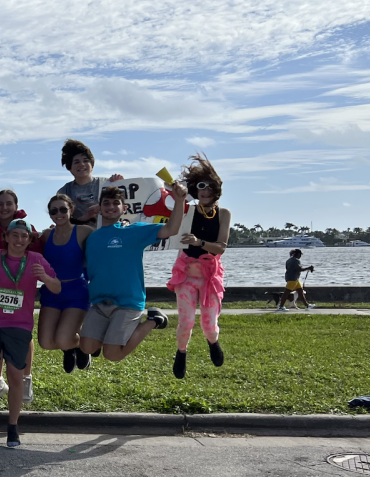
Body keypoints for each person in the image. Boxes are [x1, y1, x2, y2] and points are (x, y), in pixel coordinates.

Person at [0, 220, 60, 448]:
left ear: (29, 240)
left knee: (15, 376)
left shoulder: (36, 260)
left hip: (19, 326)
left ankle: (12, 426)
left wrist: (46, 279)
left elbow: (57, 286)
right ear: (7, 237)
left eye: (24, 237)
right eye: (15, 235)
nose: (19, 240)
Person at [80, 183, 187, 361]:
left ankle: (154, 320)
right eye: (106, 203)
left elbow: (171, 229)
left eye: (116, 203)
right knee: (87, 347)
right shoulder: (92, 237)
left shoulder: (134, 231)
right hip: (99, 303)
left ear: (125, 208)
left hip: (127, 303)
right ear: (99, 208)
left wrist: (180, 200)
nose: (111, 207)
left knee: (112, 355)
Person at [167, 155, 231, 378]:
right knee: (185, 322)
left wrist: (199, 243)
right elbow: (168, 204)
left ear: (217, 189)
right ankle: (181, 352)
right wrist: (174, 193)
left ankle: (213, 342)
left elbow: (221, 248)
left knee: (209, 326)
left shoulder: (223, 214)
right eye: (200, 186)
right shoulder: (187, 210)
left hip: (210, 276)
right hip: (185, 274)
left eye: (209, 186)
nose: (204, 191)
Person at [0, 190, 38, 403]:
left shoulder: (24, 225)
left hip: (21, 284)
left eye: (9, 203)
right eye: (0, 204)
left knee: (22, 332)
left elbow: (37, 247)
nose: (4, 207)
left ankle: (26, 377)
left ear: (15, 205)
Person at [36, 194, 94, 373]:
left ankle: (81, 346)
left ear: (71, 210)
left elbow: (107, 241)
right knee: (45, 343)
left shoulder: (84, 231)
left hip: (76, 292)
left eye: (63, 209)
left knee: (62, 339)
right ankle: (71, 347)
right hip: (51, 293)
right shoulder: (46, 235)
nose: (58, 213)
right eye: (54, 210)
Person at [55, 140, 125, 226]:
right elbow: (62, 220)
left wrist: (121, 183)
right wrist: (86, 217)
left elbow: (126, 208)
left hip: (108, 235)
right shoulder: (64, 192)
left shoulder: (107, 184)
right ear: (70, 167)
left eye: (86, 160)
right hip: (80, 237)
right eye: (76, 162)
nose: (82, 164)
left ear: (92, 165)